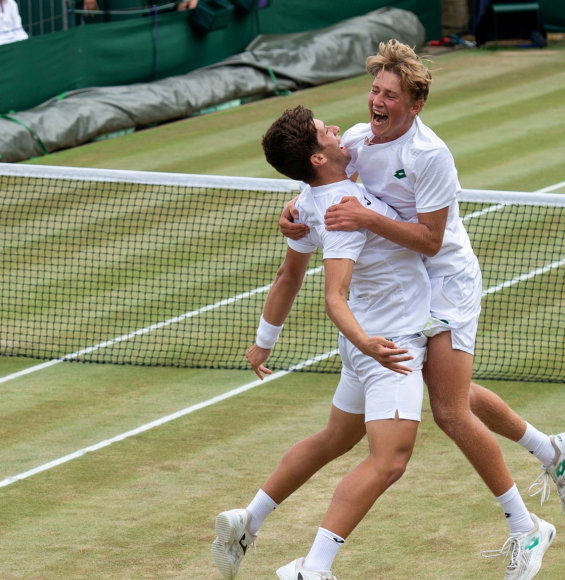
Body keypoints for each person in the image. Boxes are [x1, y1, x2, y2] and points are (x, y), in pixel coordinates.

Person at [280, 40, 565, 579]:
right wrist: (297, 212)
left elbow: (432, 240)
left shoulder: (430, 155)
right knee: (446, 393)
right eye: (374, 89)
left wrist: (368, 222)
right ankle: (549, 449)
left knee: (448, 410)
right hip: (407, 290)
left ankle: (526, 528)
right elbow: (323, 180)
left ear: (413, 105)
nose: (377, 101)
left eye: (389, 94)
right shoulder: (354, 139)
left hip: (447, 284)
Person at [211, 105, 432, 580]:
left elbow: (287, 276)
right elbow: (334, 296)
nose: (335, 128)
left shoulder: (309, 196)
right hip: (385, 343)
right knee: (389, 461)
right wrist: (371, 345)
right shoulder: (343, 212)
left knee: (336, 437)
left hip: (363, 347)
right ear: (316, 158)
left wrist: (264, 341)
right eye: (322, 131)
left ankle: (249, 519)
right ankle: (313, 568)